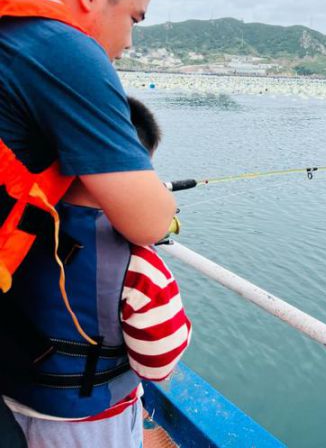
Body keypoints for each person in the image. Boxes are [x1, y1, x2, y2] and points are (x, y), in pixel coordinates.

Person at [0, 0, 176, 445]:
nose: (127, 43)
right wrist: (165, 209)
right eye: (134, 19)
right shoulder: (63, 49)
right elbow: (150, 221)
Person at [5, 97, 191, 447]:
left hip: (11, 400)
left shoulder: (10, 229)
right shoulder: (141, 266)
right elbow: (159, 364)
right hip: (87, 424)